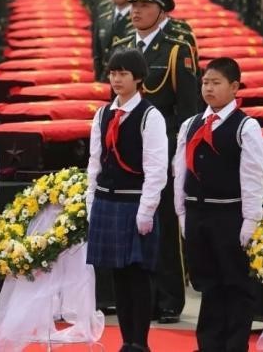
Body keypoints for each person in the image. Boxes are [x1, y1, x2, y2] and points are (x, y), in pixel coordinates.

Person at [110, 0, 199, 324]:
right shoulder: (122, 46)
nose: (136, 11)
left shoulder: (176, 49)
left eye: (144, 5)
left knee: (162, 222)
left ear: (161, 10)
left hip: (163, 146)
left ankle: (169, 298)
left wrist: (179, 154)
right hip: (127, 148)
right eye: (134, 4)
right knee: (130, 221)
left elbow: (188, 109)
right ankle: (139, 297)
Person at [174, 58, 263, 352]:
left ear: (234, 87)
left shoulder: (245, 126)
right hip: (197, 213)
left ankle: (235, 345)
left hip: (229, 214)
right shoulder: (191, 124)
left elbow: (253, 175)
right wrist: (181, 212)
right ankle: (209, 344)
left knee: (235, 283)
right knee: (208, 283)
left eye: (216, 83)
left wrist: (250, 219)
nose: (209, 89)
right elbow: (180, 171)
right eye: (205, 83)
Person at [86, 48, 168, 352]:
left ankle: (140, 342)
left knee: (138, 274)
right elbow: (94, 162)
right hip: (107, 201)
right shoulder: (102, 114)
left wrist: (146, 210)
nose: (116, 79)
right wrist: (91, 201)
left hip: (135, 202)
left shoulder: (150, 116)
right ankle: (125, 341)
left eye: (123, 74)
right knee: (117, 275)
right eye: (113, 73)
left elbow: (156, 168)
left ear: (138, 78)